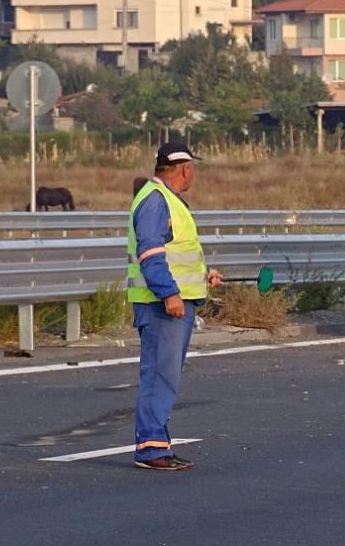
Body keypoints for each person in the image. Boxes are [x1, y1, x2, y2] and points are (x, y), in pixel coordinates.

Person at [127, 142, 223, 471]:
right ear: (184, 169)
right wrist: (169, 293)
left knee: (164, 375)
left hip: (169, 302)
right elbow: (150, 253)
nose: (193, 173)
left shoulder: (166, 199)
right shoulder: (156, 200)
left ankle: (157, 444)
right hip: (161, 306)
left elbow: (172, 253)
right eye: (192, 168)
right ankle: (151, 448)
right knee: (159, 375)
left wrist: (203, 274)